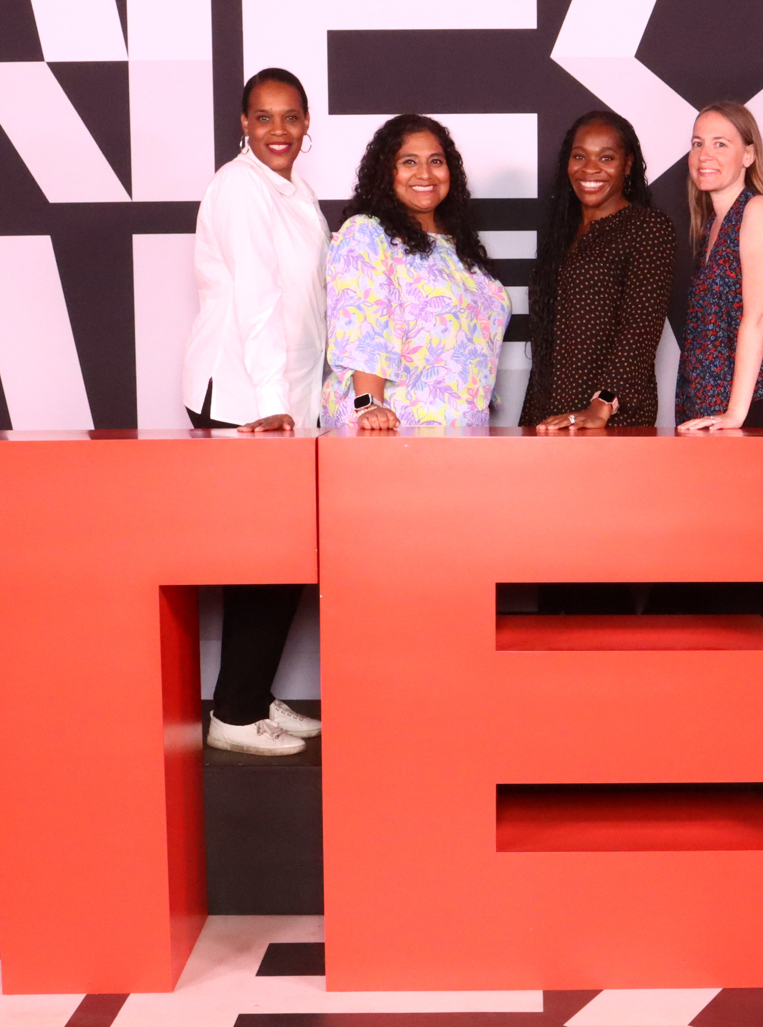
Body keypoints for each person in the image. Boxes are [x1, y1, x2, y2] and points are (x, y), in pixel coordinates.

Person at [182, 67, 325, 756]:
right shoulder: (239, 188)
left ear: (306, 123)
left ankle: (252, 691)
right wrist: (274, 407)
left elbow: (307, 309)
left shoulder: (294, 188)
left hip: (284, 400)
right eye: (263, 117)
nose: (277, 130)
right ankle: (234, 714)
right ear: (243, 123)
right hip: (246, 400)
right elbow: (257, 305)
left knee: (283, 555)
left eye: (289, 117)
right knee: (261, 557)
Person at [322, 115, 511, 429]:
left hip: (461, 432)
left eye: (435, 161)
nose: (425, 174)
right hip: (390, 430)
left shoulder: (459, 247)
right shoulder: (367, 234)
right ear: (387, 172)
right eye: (409, 162)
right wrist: (368, 405)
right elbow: (363, 324)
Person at [521, 111, 675, 431]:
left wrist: (601, 407)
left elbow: (641, 328)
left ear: (628, 165)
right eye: (580, 157)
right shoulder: (561, 237)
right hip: (550, 420)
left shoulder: (647, 227)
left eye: (606, 157)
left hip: (611, 421)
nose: (590, 169)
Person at [675, 102, 763, 431]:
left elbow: (759, 317)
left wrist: (735, 414)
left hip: (760, 410)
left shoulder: (758, 210)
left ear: (748, 155)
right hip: (714, 414)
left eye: (721, 143)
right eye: (698, 143)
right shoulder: (710, 228)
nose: (705, 154)